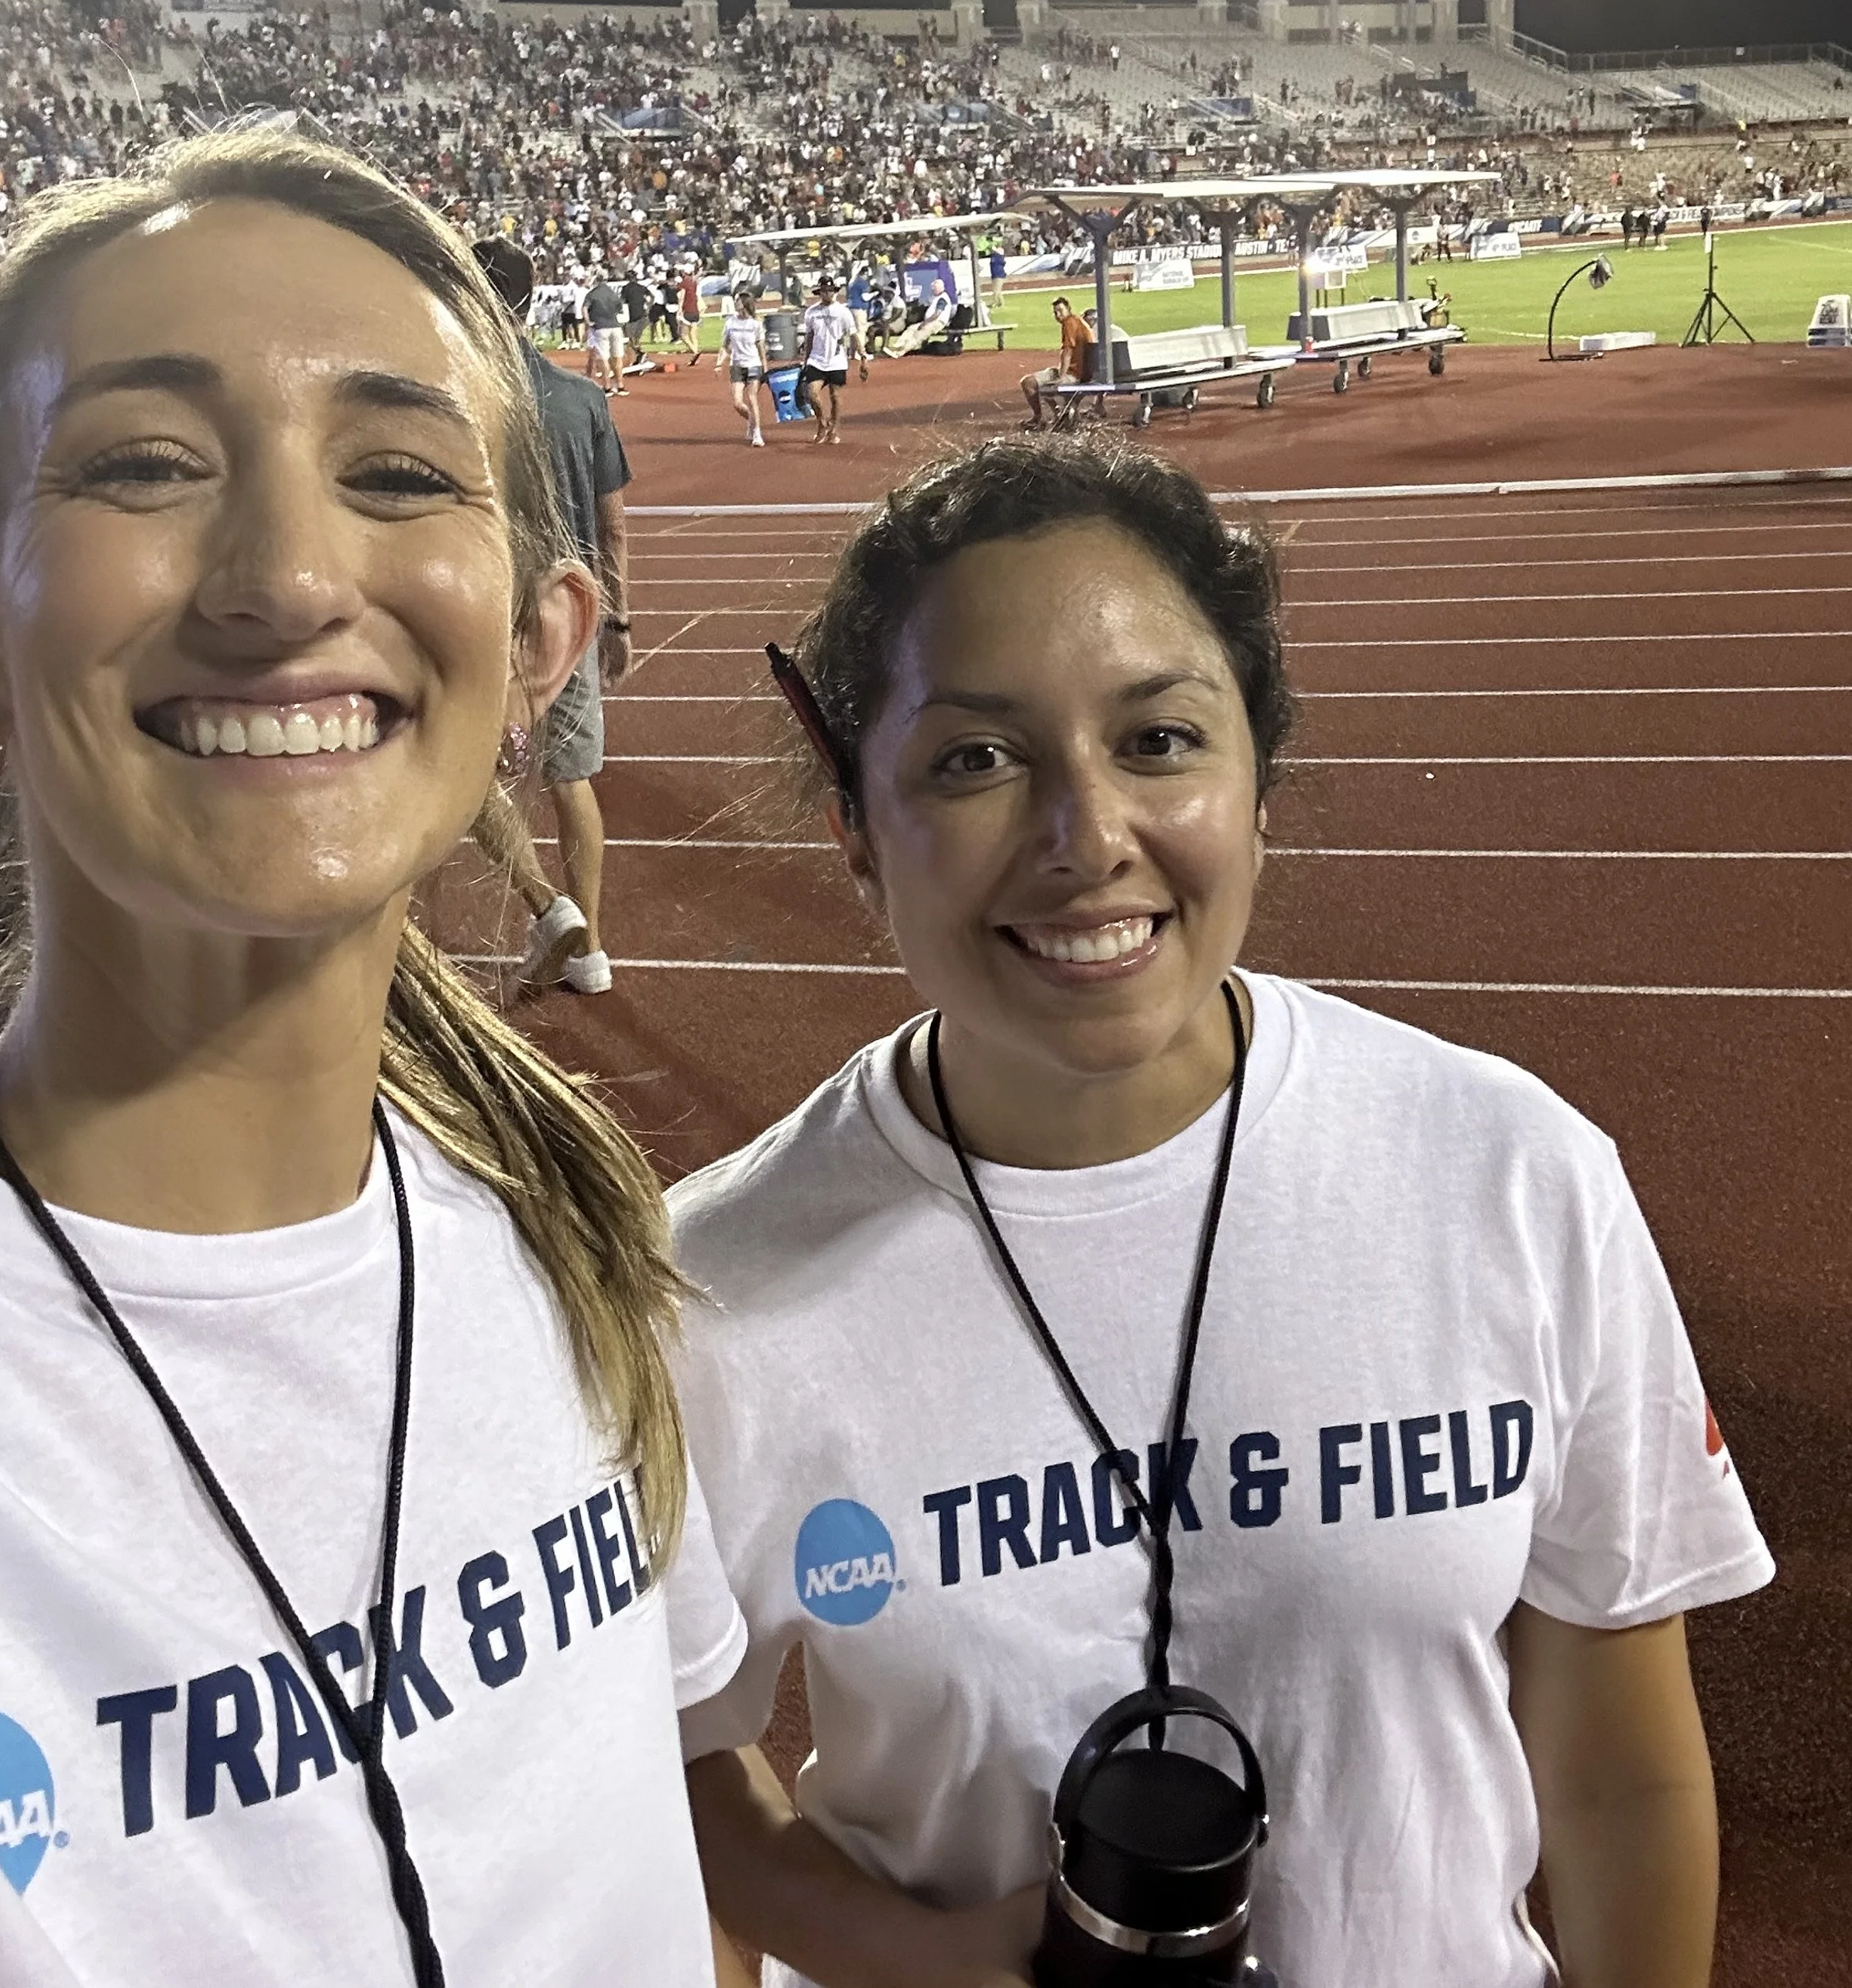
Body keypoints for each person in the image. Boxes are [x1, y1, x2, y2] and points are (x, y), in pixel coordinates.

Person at [669, 433, 1772, 1988]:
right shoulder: (707, 1285)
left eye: (1158, 738)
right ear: (856, 825)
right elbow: (673, 1749)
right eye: (972, 759)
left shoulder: (1507, 1173)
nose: (1084, 836)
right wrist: (914, 1952)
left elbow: (1615, 1766)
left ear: (1258, 779)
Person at [0, 127, 751, 1986]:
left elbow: (667, 1862)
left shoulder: (574, 1236)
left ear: (541, 647)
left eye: (393, 472)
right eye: (143, 463)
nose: (289, 575)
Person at [470, 236, 632, 997]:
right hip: (567, 613)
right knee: (572, 779)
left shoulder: (465, 400)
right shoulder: (582, 398)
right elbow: (614, 524)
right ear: (533, 303)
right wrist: (620, 619)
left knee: (468, 777)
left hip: (490, 612)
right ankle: (591, 952)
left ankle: (546, 905)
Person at [797, 276, 864, 448]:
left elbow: (853, 334)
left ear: (834, 292)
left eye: (830, 291)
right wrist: (806, 359)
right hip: (817, 359)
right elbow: (810, 336)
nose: (827, 294)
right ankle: (822, 422)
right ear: (820, 293)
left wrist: (862, 355)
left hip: (837, 360)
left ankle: (834, 429)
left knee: (836, 396)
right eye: (824, 291)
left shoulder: (842, 312)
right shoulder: (812, 312)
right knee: (812, 393)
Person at [1019, 292, 1094, 428]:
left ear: (1068, 309)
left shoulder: (1069, 323)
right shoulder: (1077, 321)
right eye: (1055, 312)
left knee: (1030, 383)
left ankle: (1040, 418)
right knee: (1039, 381)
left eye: (1060, 311)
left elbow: (1068, 351)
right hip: (1081, 373)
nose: (1058, 315)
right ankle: (1058, 414)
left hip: (1073, 374)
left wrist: (1061, 376)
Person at [717, 286, 768, 449]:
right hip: (737, 365)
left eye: (738, 301)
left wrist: (765, 369)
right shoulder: (730, 322)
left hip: (753, 364)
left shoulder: (756, 325)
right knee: (738, 403)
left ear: (745, 304)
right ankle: (751, 421)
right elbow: (725, 346)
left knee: (752, 399)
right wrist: (719, 364)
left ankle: (757, 433)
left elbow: (761, 348)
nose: (736, 303)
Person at [583, 267, 626, 393]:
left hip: (600, 328)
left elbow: (585, 308)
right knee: (617, 357)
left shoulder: (592, 294)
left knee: (603, 358)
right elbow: (620, 309)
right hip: (615, 327)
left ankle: (607, 387)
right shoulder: (613, 293)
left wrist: (588, 322)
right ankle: (621, 385)